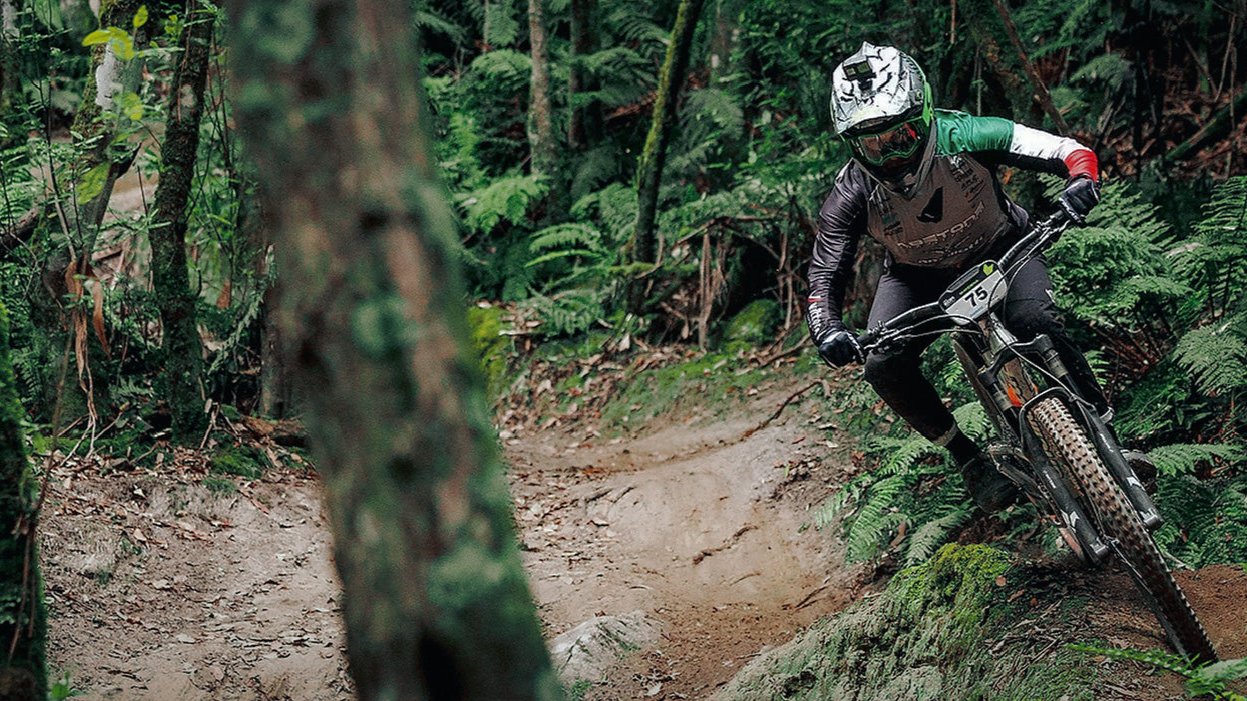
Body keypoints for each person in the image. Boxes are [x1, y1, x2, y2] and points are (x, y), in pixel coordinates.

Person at [806, 42, 1108, 513]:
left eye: (903, 135)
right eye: (874, 144)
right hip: (918, 279)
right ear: (852, 144)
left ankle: (1103, 426)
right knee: (882, 364)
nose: (893, 155)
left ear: (924, 113)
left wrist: (1081, 181)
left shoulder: (966, 133)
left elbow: (1065, 150)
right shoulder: (852, 191)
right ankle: (967, 459)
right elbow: (826, 268)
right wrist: (826, 327)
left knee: (1035, 319)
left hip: (1004, 249)